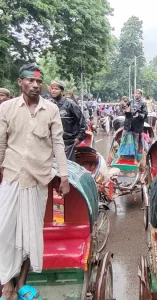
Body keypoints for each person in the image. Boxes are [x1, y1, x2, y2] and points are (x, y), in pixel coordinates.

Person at [0, 63, 70, 300]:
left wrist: (65, 176)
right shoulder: (7, 108)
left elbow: (58, 143)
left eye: (39, 82)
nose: (36, 85)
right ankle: (6, 283)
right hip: (11, 178)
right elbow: (1, 143)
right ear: (20, 82)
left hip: (38, 179)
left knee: (31, 233)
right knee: (5, 232)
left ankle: (20, 283)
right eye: (31, 80)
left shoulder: (51, 110)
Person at [50, 80, 87, 161]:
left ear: (62, 91)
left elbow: (82, 122)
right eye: (52, 89)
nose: (53, 91)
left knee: (67, 167)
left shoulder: (70, 104)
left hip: (69, 143)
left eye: (56, 89)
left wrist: (79, 138)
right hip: (54, 142)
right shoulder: (50, 105)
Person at [119, 89, 147, 159]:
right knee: (124, 138)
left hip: (137, 125)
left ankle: (134, 156)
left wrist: (139, 115)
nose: (137, 94)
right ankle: (122, 155)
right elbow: (124, 109)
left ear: (141, 95)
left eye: (138, 93)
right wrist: (126, 111)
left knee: (135, 141)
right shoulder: (131, 101)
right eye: (136, 93)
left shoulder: (143, 103)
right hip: (128, 123)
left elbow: (145, 114)